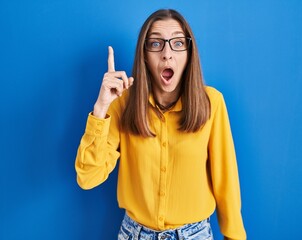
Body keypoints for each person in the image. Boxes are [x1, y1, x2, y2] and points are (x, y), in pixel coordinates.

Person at [75, 9, 246, 240]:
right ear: (144, 54)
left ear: (189, 52)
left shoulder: (212, 103)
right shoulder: (122, 103)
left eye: (177, 43)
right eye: (156, 44)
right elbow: (87, 178)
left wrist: (234, 236)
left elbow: (227, 183)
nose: (167, 54)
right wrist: (101, 107)